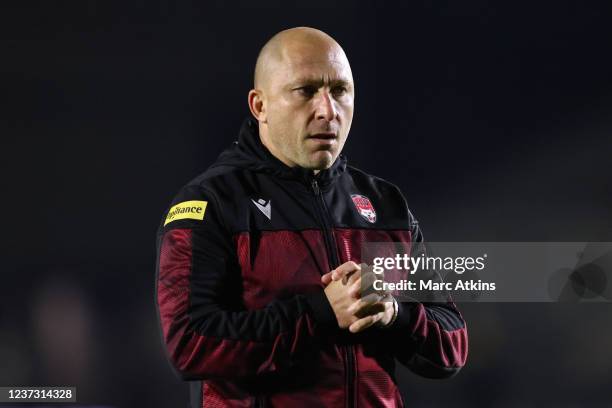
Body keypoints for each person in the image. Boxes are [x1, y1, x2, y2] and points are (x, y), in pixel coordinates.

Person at [155, 27, 468, 408]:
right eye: (305, 91)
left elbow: (452, 346)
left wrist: (393, 313)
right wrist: (321, 312)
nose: (327, 110)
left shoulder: (385, 205)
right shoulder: (212, 204)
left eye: (339, 91)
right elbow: (190, 344)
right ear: (260, 106)